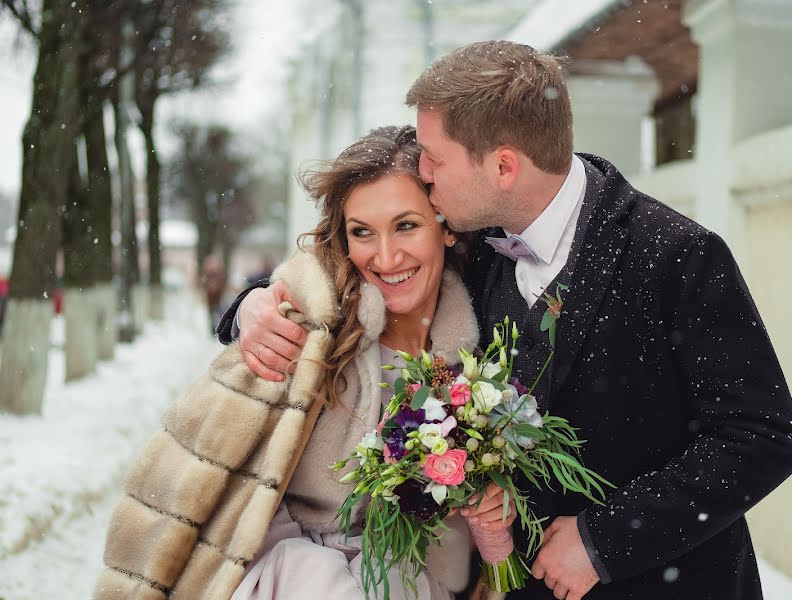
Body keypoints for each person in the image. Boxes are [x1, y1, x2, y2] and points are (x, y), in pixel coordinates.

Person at [218, 42, 792, 600]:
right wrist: (251, 304)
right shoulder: (470, 242)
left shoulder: (675, 255)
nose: (422, 171)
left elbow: (762, 438)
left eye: (434, 157)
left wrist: (604, 541)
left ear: (502, 166)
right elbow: (356, 263)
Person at [98, 126, 514, 600]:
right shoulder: (303, 329)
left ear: (445, 224)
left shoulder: (480, 353)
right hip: (286, 575)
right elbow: (208, 477)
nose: (385, 256)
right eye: (362, 232)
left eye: (406, 225)